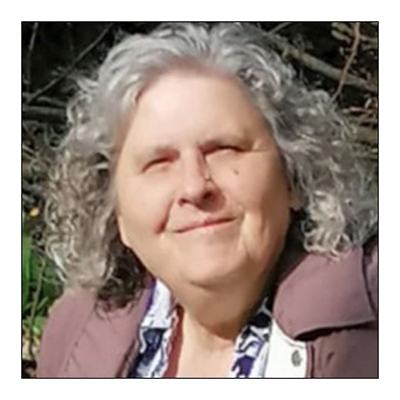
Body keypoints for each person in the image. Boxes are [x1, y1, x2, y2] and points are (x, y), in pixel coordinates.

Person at [37, 23, 377, 378]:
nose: (195, 186)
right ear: (116, 212)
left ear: (294, 176)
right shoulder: (72, 334)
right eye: (159, 163)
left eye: (224, 149)